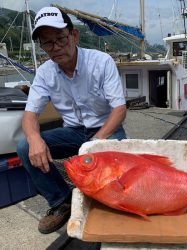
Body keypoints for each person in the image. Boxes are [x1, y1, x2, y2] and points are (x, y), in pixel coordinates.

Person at [16, 6, 127, 234]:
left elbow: (119, 109)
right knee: (25, 146)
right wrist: (34, 137)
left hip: (106, 129)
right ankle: (61, 201)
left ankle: (110, 206)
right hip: (74, 132)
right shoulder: (45, 72)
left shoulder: (101, 61)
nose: (55, 48)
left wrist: (95, 141)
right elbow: (30, 115)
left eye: (60, 39)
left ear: (74, 35)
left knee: (120, 175)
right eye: (48, 43)